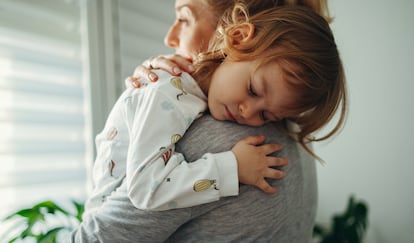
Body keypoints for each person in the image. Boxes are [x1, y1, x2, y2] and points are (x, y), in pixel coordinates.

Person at [69, 0, 340, 242]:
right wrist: (230, 167)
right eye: (253, 91)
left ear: (234, 31)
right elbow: (146, 189)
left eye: (185, 18)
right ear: (237, 37)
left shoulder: (213, 127)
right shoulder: (171, 94)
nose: (248, 112)